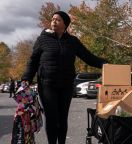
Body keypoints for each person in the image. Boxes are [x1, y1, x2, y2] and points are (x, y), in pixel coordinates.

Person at [21, 11, 107, 144]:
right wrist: (26, 78)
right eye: (53, 19)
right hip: (47, 85)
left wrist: (104, 64)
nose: (54, 21)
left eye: (58, 20)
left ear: (65, 24)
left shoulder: (72, 41)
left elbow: (88, 57)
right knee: (51, 117)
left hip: (66, 85)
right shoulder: (42, 39)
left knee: (62, 118)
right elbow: (33, 60)